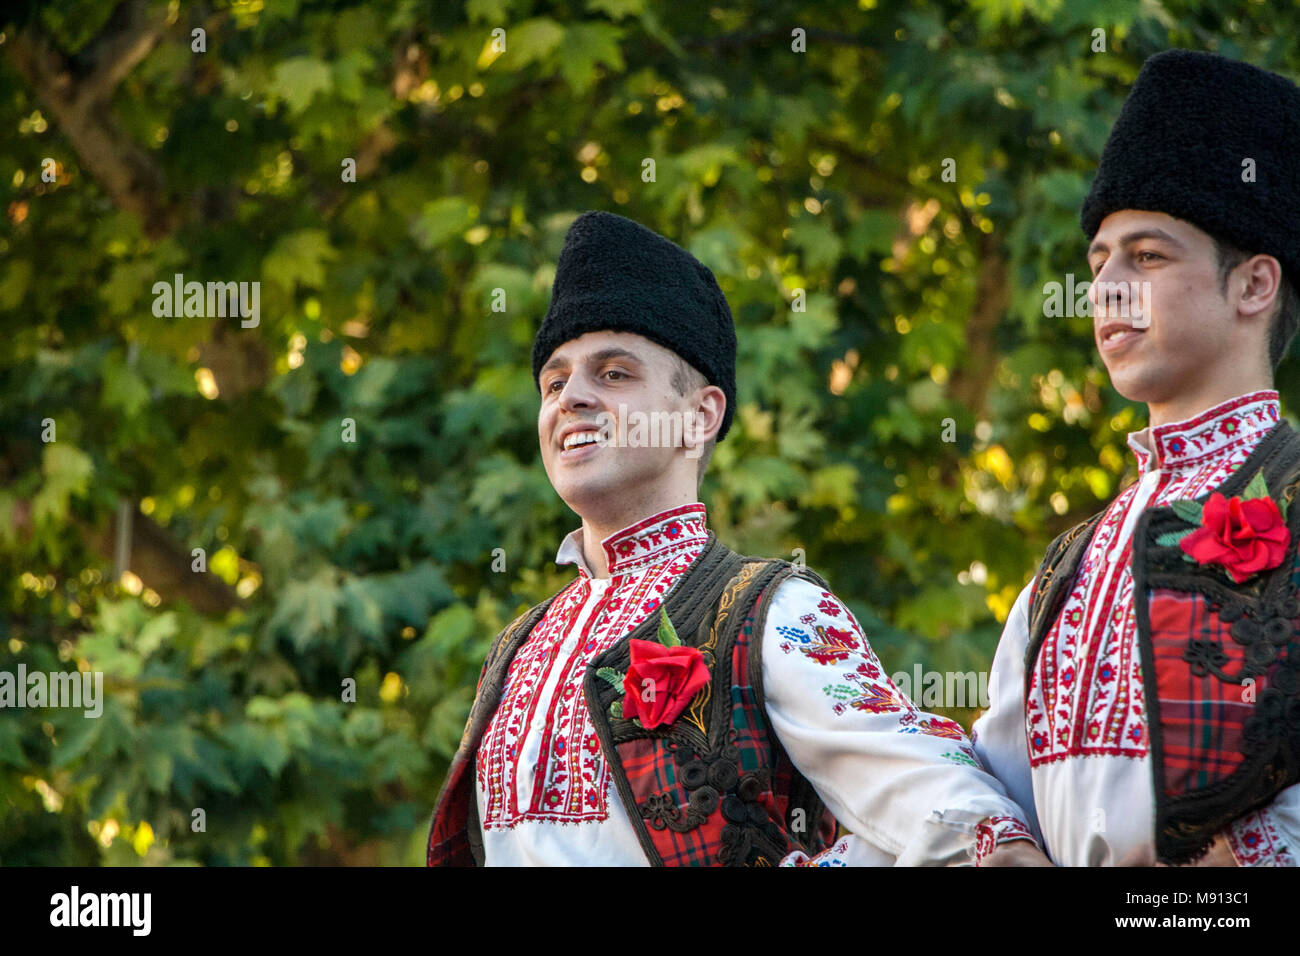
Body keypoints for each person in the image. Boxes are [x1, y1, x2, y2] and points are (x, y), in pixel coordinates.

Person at [427, 210, 1038, 865]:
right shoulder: (516, 649)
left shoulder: (773, 610)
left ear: (699, 416)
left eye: (613, 373)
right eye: (554, 380)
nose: (570, 397)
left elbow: (952, 816)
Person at [974, 49, 1300, 867]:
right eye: (1098, 262)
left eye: (1148, 256)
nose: (1107, 288)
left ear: (1253, 285)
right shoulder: (1065, 569)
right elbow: (993, 789)